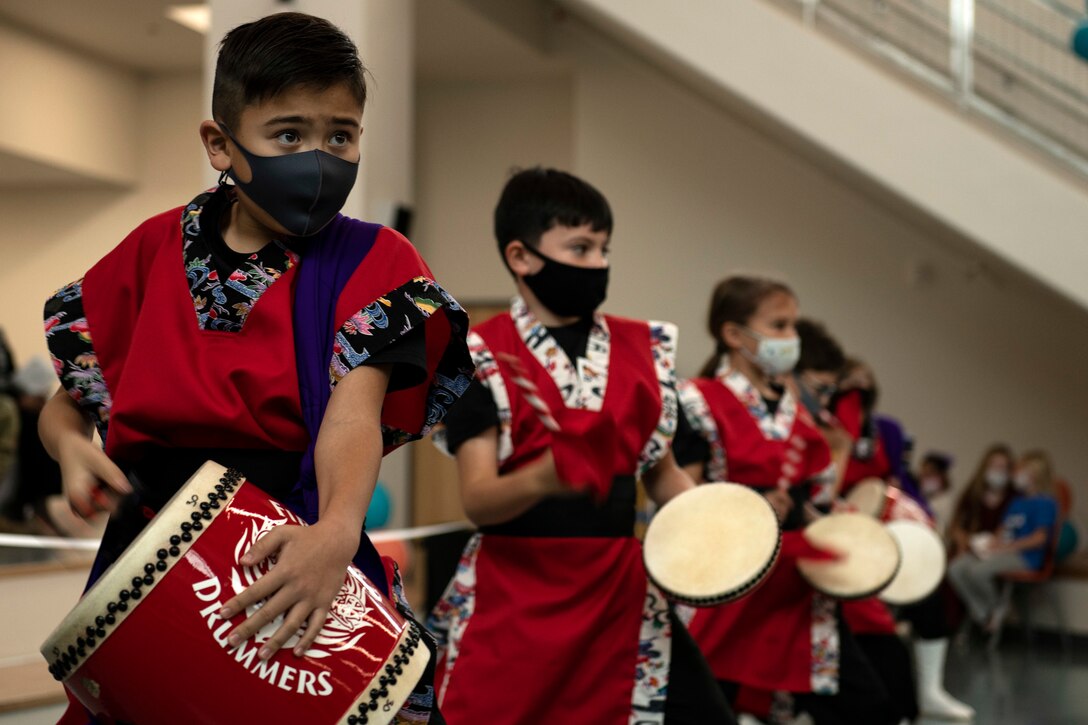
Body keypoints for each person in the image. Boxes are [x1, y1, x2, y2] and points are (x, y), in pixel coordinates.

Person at [39, 13, 471, 723]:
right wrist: (70, 453)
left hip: (297, 537)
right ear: (220, 143)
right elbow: (70, 401)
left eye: (341, 135)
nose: (319, 157)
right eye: (289, 135)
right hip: (153, 556)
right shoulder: (149, 251)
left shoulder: (375, 259)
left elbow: (354, 412)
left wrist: (335, 533)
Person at [427, 168, 734, 724]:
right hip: (516, 592)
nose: (598, 263)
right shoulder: (482, 356)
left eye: (604, 248)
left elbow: (661, 473)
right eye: (580, 247)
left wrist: (716, 529)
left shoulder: (643, 351)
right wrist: (545, 476)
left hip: (620, 587)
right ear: (521, 257)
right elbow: (477, 499)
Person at [674, 277, 894, 725]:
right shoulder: (696, 401)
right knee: (706, 708)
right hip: (727, 585)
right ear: (733, 335)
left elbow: (817, 498)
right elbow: (681, 508)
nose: (791, 338)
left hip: (794, 585)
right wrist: (747, 507)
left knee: (869, 706)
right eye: (778, 326)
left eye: (793, 326)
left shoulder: (799, 412)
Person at [947, 450, 1059, 632]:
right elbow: (1004, 528)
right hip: (1003, 550)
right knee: (956, 568)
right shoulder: (1017, 502)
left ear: (1033, 474)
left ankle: (997, 607)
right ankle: (984, 611)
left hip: (1025, 557)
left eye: (1019, 469)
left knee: (977, 571)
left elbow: (1040, 538)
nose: (1014, 473)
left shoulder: (1045, 503)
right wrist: (991, 544)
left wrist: (1007, 547)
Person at [947, 444, 1016, 559]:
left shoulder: (1015, 496)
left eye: (1002, 467)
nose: (998, 471)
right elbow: (955, 525)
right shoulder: (972, 492)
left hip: (999, 550)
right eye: (994, 466)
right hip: (970, 547)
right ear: (985, 467)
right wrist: (964, 542)